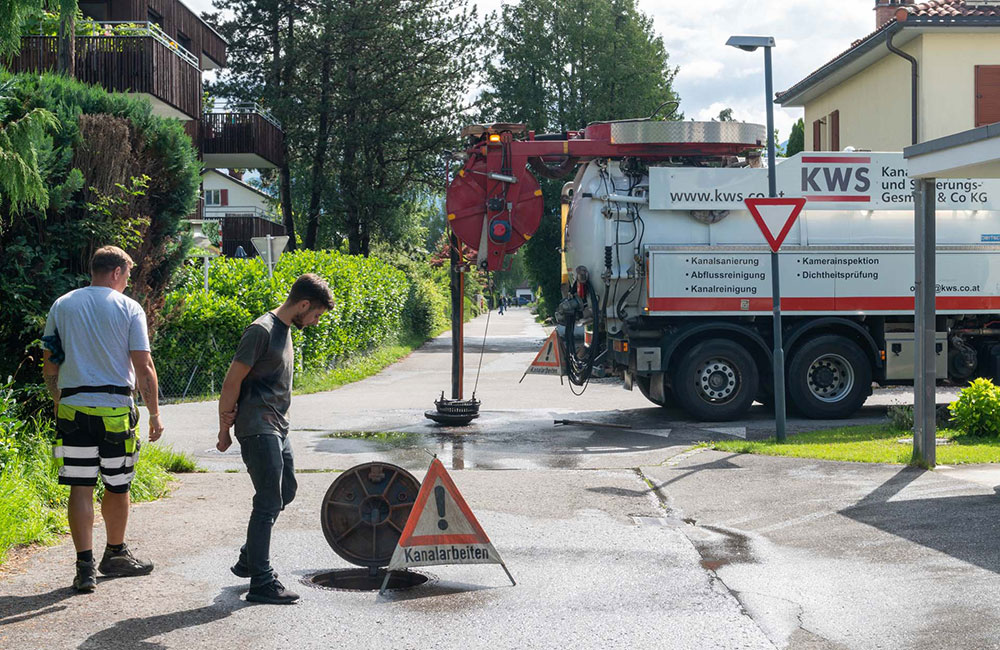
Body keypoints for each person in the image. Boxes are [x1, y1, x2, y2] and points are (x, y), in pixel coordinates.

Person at [42, 245, 164, 593]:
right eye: (127, 275)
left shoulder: (62, 305)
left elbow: (51, 364)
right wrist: (154, 413)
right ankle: (115, 553)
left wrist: (58, 400)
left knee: (80, 487)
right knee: (118, 484)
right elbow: (144, 366)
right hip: (115, 412)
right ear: (116, 272)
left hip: (73, 409)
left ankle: (84, 569)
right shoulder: (129, 308)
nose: (128, 281)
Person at [216, 273, 334, 604]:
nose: (314, 322)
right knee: (268, 499)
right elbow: (231, 381)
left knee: (286, 490)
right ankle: (261, 582)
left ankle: (250, 558)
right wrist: (223, 430)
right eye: (316, 315)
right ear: (304, 304)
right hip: (257, 426)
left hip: (278, 426)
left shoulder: (284, 329)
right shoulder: (261, 330)